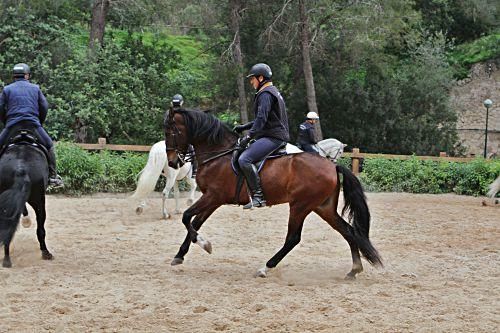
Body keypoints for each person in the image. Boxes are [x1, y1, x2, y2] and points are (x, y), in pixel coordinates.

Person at [233, 63, 289, 209]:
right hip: (276, 134)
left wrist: (248, 137)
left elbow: (262, 119)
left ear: (261, 78)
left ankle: (258, 196)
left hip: (273, 137)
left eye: (252, 79)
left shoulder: (265, 94)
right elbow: (265, 118)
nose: (251, 82)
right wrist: (244, 127)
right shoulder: (273, 91)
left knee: (244, 159)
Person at [0, 63, 64, 187]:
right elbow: (44, 106)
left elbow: (0, 107)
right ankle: (53, 176)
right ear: (27, 75)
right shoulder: (35, 88)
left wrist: (6, 122)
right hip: (33, 125)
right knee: (49, 145)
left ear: (14, 76)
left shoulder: (7, 89)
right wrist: (39, 122)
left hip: (12, 126)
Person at [165, 94, 197, 178]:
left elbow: (165, 124)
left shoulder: (168, 112)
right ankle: (194, 170)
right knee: (193, 150)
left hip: (169, 138)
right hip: (181, 138)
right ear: (181, 102)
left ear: (172, 102)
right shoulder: (184, 113)